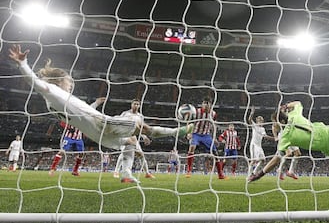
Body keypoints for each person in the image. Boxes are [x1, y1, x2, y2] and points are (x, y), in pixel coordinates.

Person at [8, 45, 192, 154]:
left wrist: (95, 103)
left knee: (132, 141)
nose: (71, 85)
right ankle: (177, 132)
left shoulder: (52, 103)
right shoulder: (53, 91)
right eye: (69, 81)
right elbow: (35, 82)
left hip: (95, 133)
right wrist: (23, 64)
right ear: (58, 80)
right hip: (102, 123)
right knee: (142, 127)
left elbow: (78, 110)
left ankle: (127, 175)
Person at [49, 97, 105, 177]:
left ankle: (75, 171)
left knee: (81, 154)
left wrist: (97, 102)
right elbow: (62, 122)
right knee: (62, 151)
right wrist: (68, 127)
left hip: (79, 138)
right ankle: (52, 168)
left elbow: (93, 106)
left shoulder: (85, 113)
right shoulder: (70, 112)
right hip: (68, 137)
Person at [112, 98, 155, 182]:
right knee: (124, 154)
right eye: (134, 104)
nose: (136, 105)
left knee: (141, 155)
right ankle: (116, 172)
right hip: (124, 137)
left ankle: (147, 173)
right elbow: (118, 123)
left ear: (139, 106)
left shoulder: (140, 116)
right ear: (131, 105)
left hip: (134, 138)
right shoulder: (125, 114)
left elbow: (140, 128)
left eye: (137, 104)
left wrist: (144, 137)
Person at [185, 97, 227, 179]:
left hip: (206, 136)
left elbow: (212, 126)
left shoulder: (213, 114)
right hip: (196, 134)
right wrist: (189, 132)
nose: (205, 105)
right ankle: (189, 171)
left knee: (215, 154)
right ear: (202, 104)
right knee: (192, 147)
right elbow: (189, 122)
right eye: (204, 103)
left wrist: (213, 137)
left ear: (211, 105)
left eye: (207, 103)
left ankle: (220, 174)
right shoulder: (196, 112)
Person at [271, 113, 301, 180]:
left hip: (290, 136)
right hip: (283, 136)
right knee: (288, 154)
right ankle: (279, 170)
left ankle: (290, 171)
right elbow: (273, 126)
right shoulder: (280, 117)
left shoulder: (290, 116)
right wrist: (275, 136)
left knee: (298, 153)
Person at [247, 107, 274, 178]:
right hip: (253, 145)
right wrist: (252, 112)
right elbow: (249, 120)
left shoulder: (262, 129)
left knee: (263, 160)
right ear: (257, 121)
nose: (261, 122)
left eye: (262, 121)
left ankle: (253, 173)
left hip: (259, 146)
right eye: (260, 121)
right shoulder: (254, 126)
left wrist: (274, 138)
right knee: (253, 161)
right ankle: (249, 175)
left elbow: (265, 136)